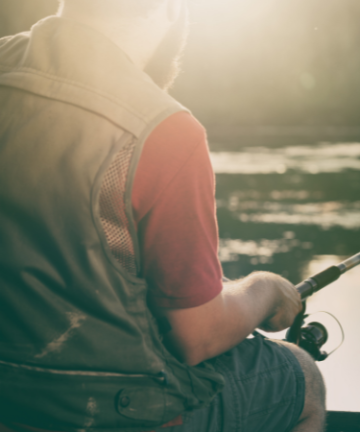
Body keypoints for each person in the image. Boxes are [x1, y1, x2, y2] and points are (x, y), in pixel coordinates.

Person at [0, 0, 326, 431]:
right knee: (303, 378)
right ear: (170, 10)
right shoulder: (164, 128)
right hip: (112, 409)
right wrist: (264, 290)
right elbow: (196, 337)